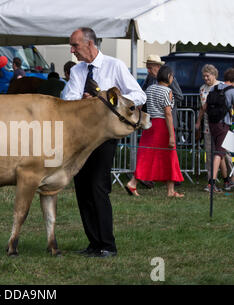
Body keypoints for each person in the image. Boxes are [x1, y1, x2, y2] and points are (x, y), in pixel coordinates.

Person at [61, 27, 146, 258]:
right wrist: (83, 100)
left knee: (98, 187)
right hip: (79, 139)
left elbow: (139, 95)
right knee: (82, 188)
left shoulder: (114, 66)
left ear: (89, 44)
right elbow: (68, 99)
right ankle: (94, 243)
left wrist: (110, 99)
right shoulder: (78, 70)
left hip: (104, 139)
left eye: (75, 45)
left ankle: (108, 245)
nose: (72, 50)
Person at [125, 66, 184, 198]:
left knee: (147, 155)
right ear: (168, 76)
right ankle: (169, 190)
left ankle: (134, 183)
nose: (173, 78)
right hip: (163, 126)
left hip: (150, 124)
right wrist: (171, 136)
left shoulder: (150, 89)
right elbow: (168, 113)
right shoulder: (167, 91)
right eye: (172, 76)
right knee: (170, 156)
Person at [195, 64, 233, 190]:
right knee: (213, 152)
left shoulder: (222, 86)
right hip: (211, 123)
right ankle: (213, 180)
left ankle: (228, 178)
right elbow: (203, 107)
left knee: (224, 152)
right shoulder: (202, 89)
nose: (205, 78)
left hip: (219, 123)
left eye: (208, 75)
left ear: (214, 75)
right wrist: (199, 121)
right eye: (204, 76)